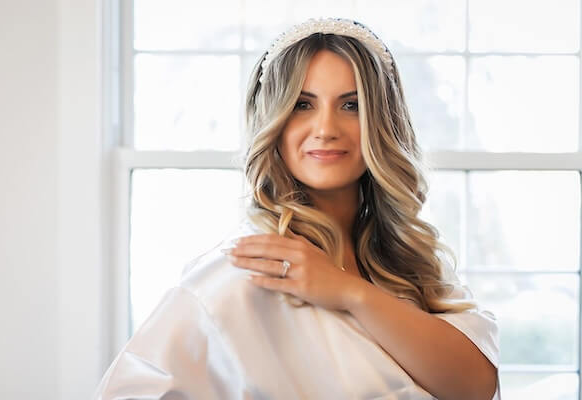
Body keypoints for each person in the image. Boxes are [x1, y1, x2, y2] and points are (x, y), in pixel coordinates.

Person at [94, 17, 501, 400]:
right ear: (274, 122)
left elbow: (475, 386)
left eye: (351, 105)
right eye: (303, 105)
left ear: (383, 122)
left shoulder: (411, 265)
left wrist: (349, 293)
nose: (325, 129)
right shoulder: (242, 271)